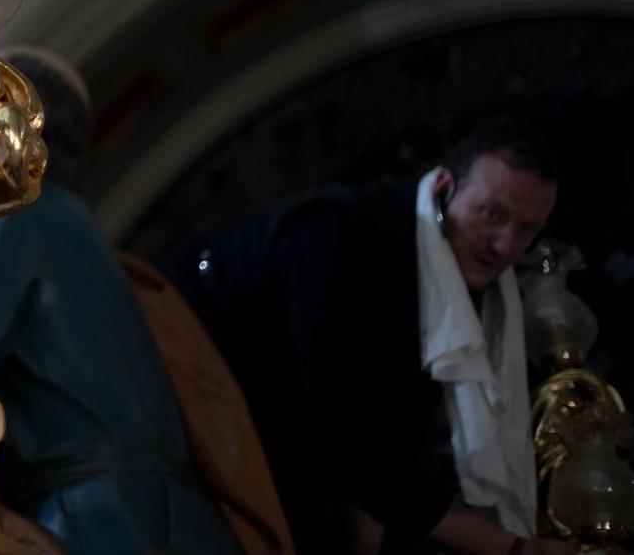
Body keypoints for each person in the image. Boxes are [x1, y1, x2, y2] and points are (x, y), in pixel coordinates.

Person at [162, 117, 570, 554]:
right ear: (443, 187)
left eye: (526, 230)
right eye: (492, 214)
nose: (505, 246)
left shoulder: (448, 283)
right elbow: (343, 432)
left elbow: (388, 437)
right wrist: (512, 549)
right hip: (177, 425)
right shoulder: (337, 232)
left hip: (267, 458)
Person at [0, 48, 240, 555]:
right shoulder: (87, 235)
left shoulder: (12, 213)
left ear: (6, 123)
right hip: (181, 522)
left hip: (95, 525)